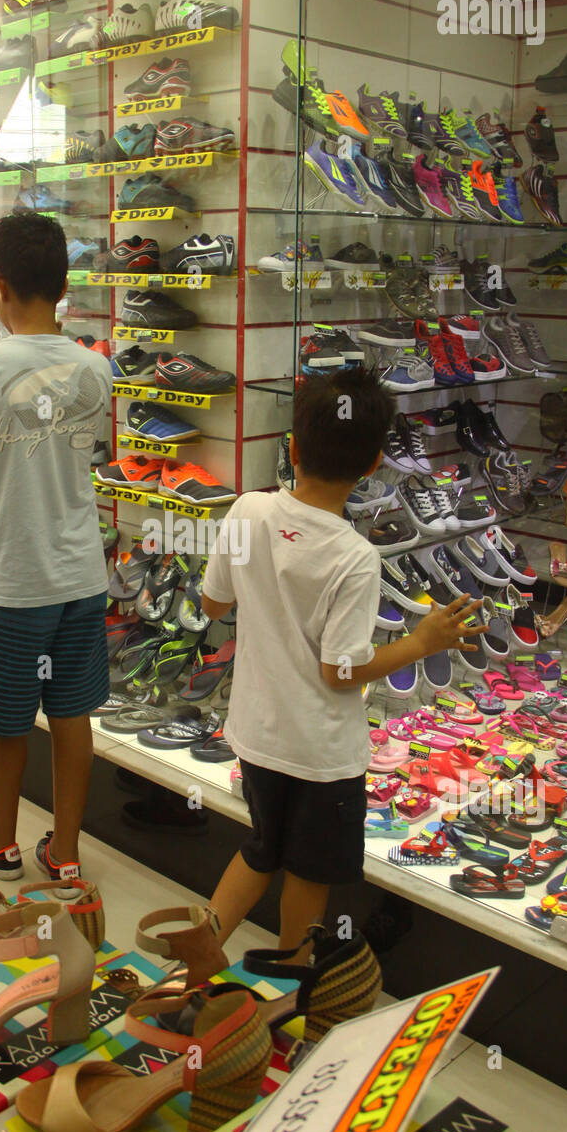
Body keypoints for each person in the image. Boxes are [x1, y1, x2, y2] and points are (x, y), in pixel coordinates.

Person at [201, 367, 485, 960]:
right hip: (321, 752)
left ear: (293, 448)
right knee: (309, 871)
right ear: (377, 460)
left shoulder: (246, 511)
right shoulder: (355, 557)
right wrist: (421, 642)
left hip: (255, 732)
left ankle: (197, 955)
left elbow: (212, 602)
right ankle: (290, 985)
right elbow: (341, 671)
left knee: (260, 846)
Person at [0, 212, 112, 881]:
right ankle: (65, 854)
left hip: (13, 577)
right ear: (63, 285)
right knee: (73, 712)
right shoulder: (96, 368)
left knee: (5, 720)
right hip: (80, 572)